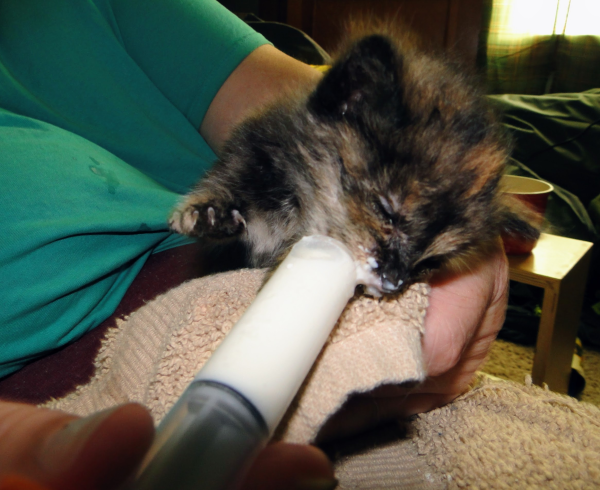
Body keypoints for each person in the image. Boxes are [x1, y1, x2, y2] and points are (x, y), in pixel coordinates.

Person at [0, 0, 510, 488]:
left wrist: (469, 263)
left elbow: (278, 94)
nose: (395, 278)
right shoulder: (314, 140)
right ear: (351, 97)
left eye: (426, 256)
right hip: (110, 357)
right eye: (389, 219)